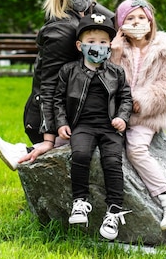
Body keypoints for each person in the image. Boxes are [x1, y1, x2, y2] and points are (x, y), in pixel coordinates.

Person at [0, 0, 114, 170]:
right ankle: (26, 150)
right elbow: (47, 86)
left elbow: (119, 19)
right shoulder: (61, 30)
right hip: (48, 118)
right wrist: (48, 136)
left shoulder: (88, 12)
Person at [110, 0, 166, 231]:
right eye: (130, 18)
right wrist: (114, 56)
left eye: (141, 17)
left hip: (146, 116)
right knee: (88, 132)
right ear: (121, 24)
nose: (136, 22)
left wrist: (142, 100)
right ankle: (33, 150)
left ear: (150, 21)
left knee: (135, 149)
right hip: (117, 114)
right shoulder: (116, 48)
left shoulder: (162, 49)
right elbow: (105, 81)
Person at [54, 13, 132, 240]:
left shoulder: (116, 72)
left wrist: (122, 118)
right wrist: (61, 123)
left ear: (110, 46)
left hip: (110, 127)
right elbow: (57, 99)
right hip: (83, 126)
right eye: (91, 42)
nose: (97, 46)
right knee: (80, 154)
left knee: (112, 161)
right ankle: (79, 202)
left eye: (103, 42)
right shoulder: (69, 71)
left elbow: (126, 98)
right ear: (80, 45)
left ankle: (114, 211)